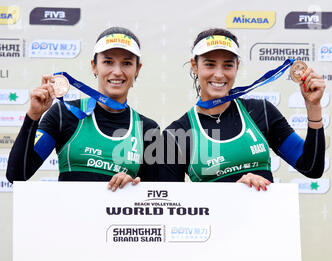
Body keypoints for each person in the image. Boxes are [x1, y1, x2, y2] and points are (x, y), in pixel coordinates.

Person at [158, 28, 325, 189]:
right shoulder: (175, 135)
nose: (219, 74)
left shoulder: (261, 112)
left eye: (228, 65)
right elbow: (172, 206)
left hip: (265, 218)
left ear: (237, 66)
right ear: (195, 66)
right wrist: (234, 193)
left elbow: (311, 168)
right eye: (210, 64)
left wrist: (313, 106)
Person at [6, 27, 159, 191]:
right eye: (108, 62)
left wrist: (134, 184)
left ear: (137, 69)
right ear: (94, 66)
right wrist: (33, 116)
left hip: (119, 216)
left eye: (127, 63)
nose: (117, 72)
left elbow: (152, 195)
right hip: (70, 216)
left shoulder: (148, 129)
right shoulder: (64, 113)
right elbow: (17, 175)